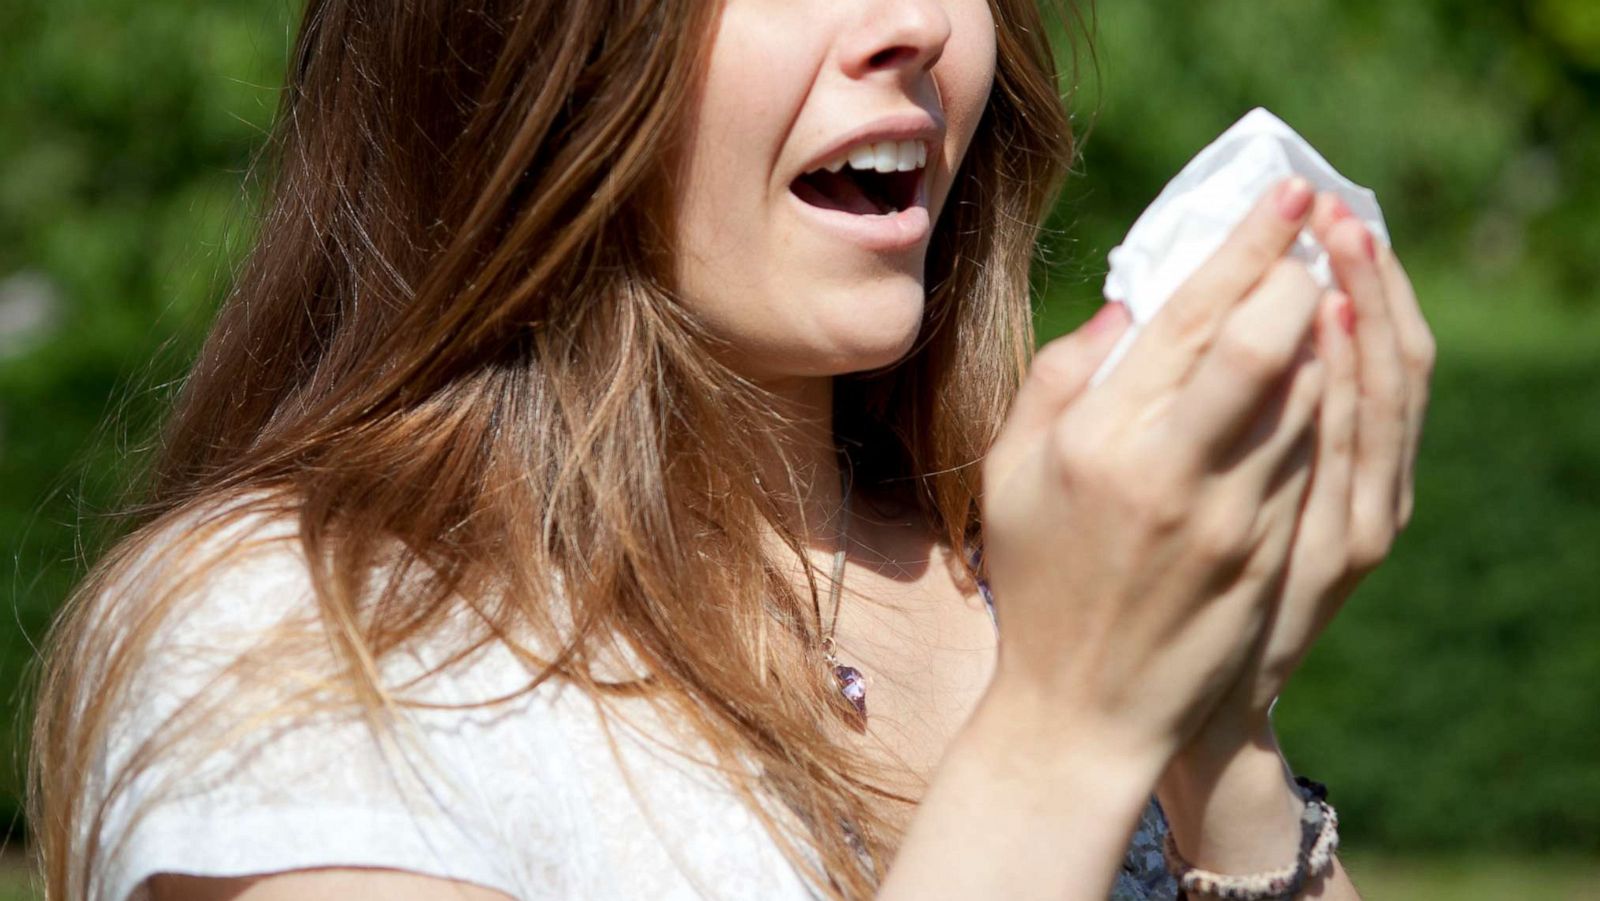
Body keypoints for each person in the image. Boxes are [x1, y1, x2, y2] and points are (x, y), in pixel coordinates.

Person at [28, 0, 1435, 899]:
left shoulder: (1025, 575)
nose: (920, 30)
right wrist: (1067, 728)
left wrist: (1216, 741)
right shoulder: (297, 635)